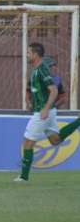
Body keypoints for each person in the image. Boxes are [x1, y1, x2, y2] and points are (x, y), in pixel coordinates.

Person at [15, 42, 80, 181]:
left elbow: (54, 90)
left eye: (28, 52)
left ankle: (23, 177)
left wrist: (44, 109)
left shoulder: (42, 69)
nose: (26, 55)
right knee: (55, 140)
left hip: (43, 113)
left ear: (35, 54)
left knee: (27, 142)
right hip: (48, 112)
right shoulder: (35, 70)